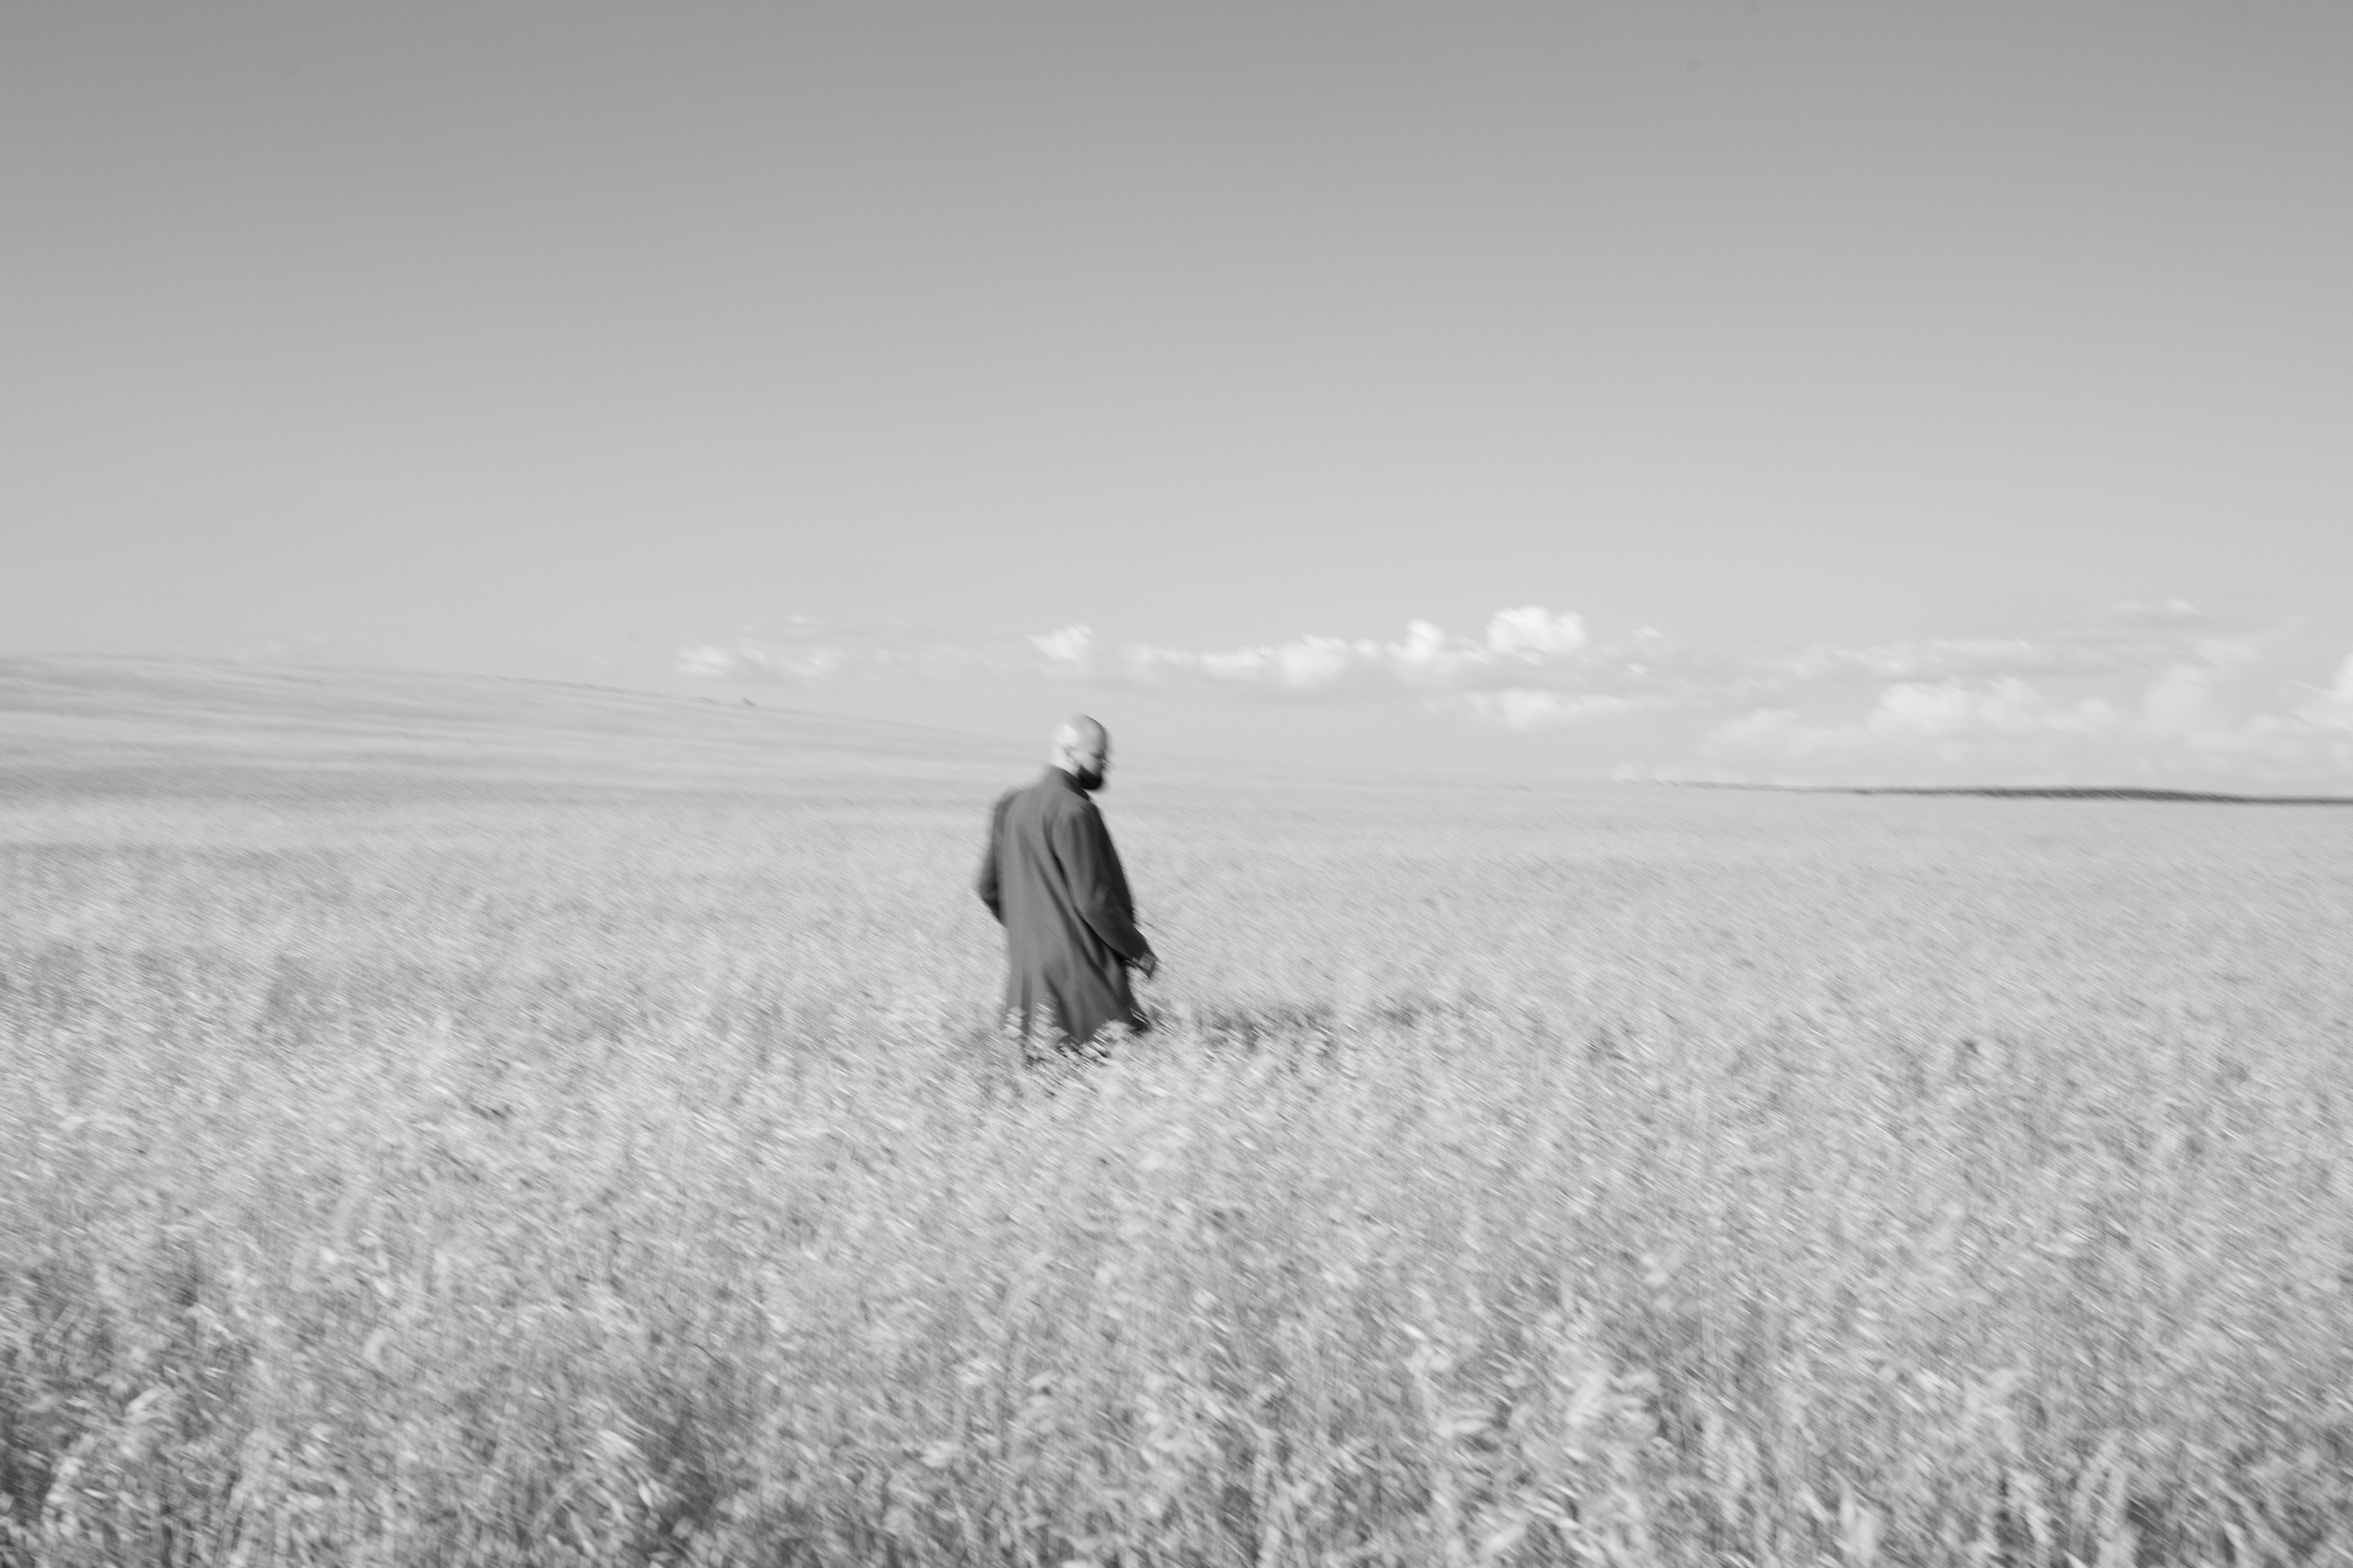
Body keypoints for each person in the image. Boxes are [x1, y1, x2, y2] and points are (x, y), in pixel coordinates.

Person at [976, 715, 1158, 1051]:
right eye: (1099, 755)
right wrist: (1138, 950)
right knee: (1119, 1066)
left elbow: (987, 888)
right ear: (1070, 752)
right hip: (1082, 977)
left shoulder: (1010, 804)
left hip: (1027, 976)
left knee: (1037, 1081)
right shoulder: (1075, 810)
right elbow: (1094, 902)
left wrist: (1027, 929)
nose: (1106, 764)